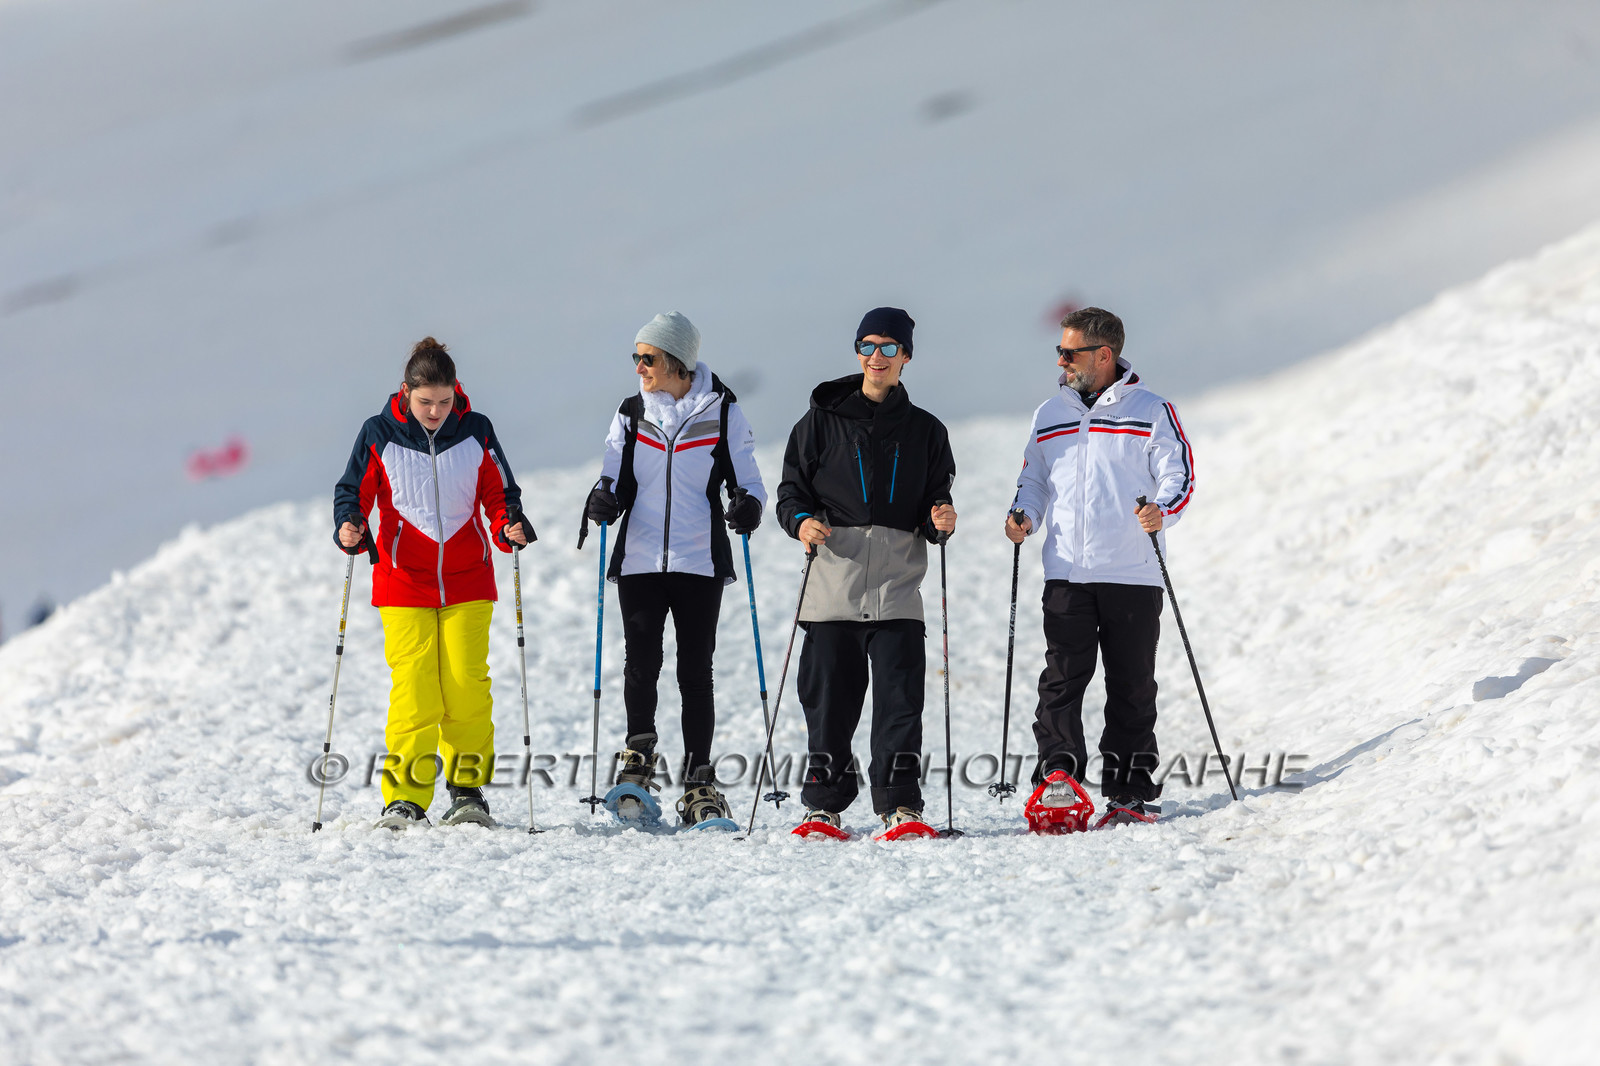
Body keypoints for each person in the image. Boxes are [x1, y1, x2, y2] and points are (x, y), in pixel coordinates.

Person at [1005, 307, 1195, 830]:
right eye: (1060, 352)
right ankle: (1059, 778)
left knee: (1131, 684)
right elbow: (1035, 480)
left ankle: (1130, 791)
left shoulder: (1151, 409)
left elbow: (1178, 473)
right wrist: (1024, 514)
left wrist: (1164, 509)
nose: (1062, 361)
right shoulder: (1050, 413)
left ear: (1103, 355)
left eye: (1070, 353)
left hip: (1132, 570)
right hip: (1067, 568)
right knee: (1062, 678)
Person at [333, 337, 534, 830]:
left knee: (466, 685)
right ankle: (405, 798)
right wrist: (349, 523)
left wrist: (510, 522)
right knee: (416, 691)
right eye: (426, 402)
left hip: (468, 580)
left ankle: (467, 789)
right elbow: (351, 491)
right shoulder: (378, 433)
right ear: (406, 392)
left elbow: (500, 492)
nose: (436, 412)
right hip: (404, 582)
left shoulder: (476, 431)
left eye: (445, 401)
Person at [776, 307, 957, 837]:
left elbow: (934, 502)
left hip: (899, 588)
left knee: (901, 704)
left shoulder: (927, 430)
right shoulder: (817, 423)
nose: (875, 357)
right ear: (857, 352)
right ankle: (823, 806)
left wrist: (940, 518)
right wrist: (802, 521)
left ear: (906, 356)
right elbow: (791, 493)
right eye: (867, 346)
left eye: (887, 347)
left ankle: (900, 806)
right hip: (834, 584)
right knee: (828, 702)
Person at [583, 311, 767, 828]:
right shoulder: (629, 412)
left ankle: (699, 779)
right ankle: (637, 759)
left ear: (679, 362)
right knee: (640, 663)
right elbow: (611, 478)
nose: (639, 367)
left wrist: (748, 505)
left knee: (695, 671)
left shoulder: (722, 410)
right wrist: (602, 499)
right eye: (636, 357)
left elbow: (748, 480)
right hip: (641, 558)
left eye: (649, 358)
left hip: (697, 560)